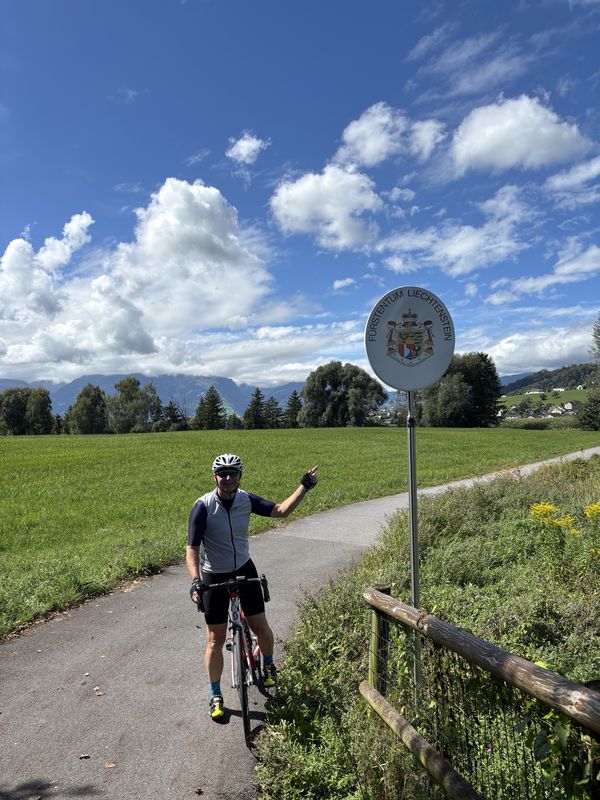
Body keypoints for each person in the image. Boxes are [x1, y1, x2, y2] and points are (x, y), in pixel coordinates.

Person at [186, 453, 318, 720]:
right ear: (215, 476)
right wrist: (196, 581)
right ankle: (215, 695)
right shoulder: (203, 506)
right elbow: (192, 548)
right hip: (214, 575)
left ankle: (268, 663)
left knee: (261, 626)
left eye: (232, 473)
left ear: (239, 476)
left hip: (245, 570)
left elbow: (281, 511)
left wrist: (304, 486)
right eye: (222, 473)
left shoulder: (246, 500)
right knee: (215, 640)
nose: (227, 478)